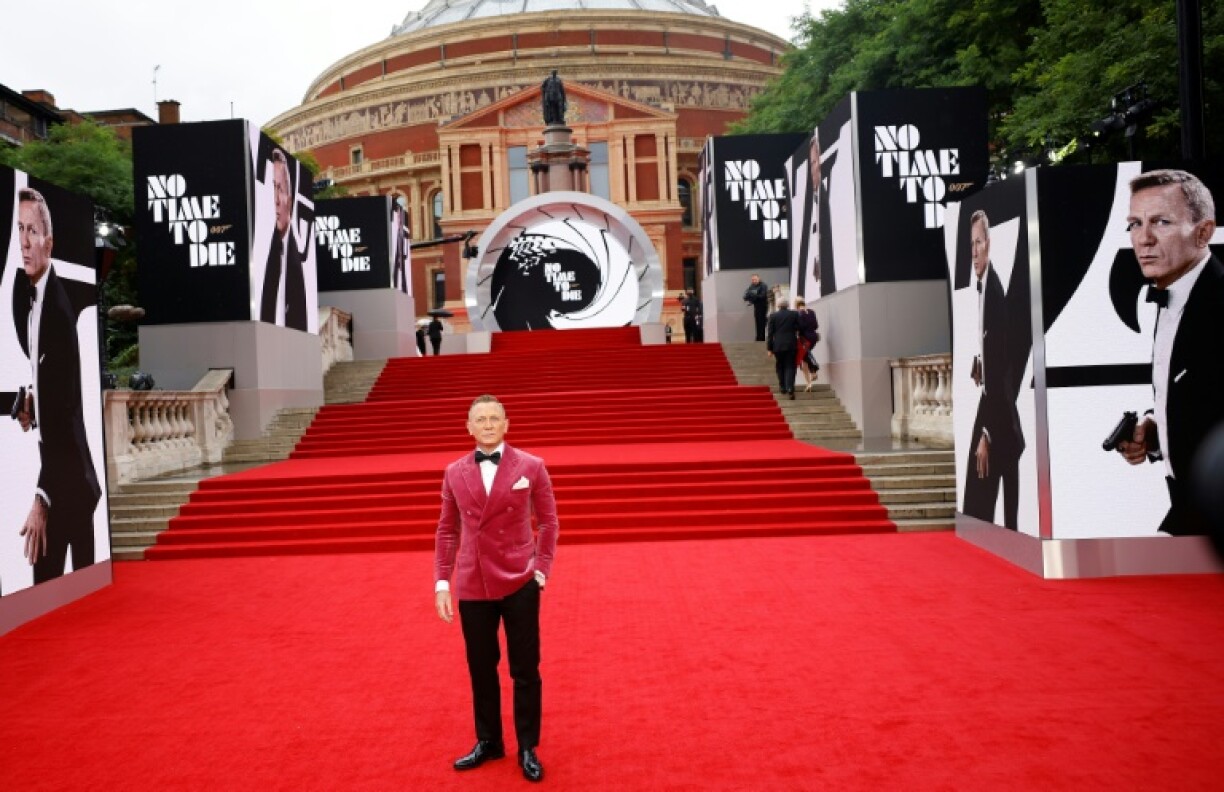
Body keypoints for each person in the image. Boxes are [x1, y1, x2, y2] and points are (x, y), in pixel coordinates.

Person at [434, 395, 559, 783]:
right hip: (473, 583)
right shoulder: (454, 472)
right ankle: (489, 741)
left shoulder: (532, 466)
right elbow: (447, 529)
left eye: (494, 419)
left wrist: (540, 569)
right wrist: (442, 580)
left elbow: (550, 522)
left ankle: (527, 746)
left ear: (506, 424)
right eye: (480, 420)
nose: (488, 425)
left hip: (519, 579)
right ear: (468, 427)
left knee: (525, 668)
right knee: (481, 667)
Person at [1114, 169, 1223, 536]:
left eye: (1160, 222)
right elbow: (1203, 394)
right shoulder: (1173, 294)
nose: (1143, 239)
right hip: (1187, 500)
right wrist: (1154, 429)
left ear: (1203, 232)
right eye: (1134, 224)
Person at [13, 188, 102, 584]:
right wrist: (27, 401)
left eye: (32, 231)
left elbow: (65, 415)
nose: (24, 242)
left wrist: (40, 497)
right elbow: (50, 389)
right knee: (67, 594)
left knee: (62, 590)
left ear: (49, 243)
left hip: (71, 486)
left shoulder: (58, 318)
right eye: (19, 229)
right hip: (66, 476)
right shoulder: (30, 297)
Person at [963, 210, 1025, 530]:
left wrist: (986, 433)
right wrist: (980, 365)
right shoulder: (984, 286)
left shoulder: (995, 294)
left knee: (993, 507)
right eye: (970, 244)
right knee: (989, 507)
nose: (973, 252)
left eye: (978, 243)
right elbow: (994, 354)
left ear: (989, 243)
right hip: (997, 411)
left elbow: (1004, 370)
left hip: (1000, 419)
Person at [260, 150, 308, 331]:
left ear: (291, 198)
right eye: (272, 188)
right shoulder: (265, 257)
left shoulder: (297, 262)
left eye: (280, 189)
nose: (275, 200)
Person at [766, 298, 800, 399]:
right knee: (790, 366)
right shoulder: (794, 314)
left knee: (780, 366)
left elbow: (770, 334)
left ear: (778, 305)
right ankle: (790, 387)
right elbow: (798, 327)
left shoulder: (773, 316)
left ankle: (782, 386)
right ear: (787, 305)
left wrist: (769, 348)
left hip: (778, 345)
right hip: (791, 344)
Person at [795, 298, 820, 391]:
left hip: (805, 339)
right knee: (805, 359)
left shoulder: (799, 314)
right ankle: (808, 383)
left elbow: (800, 327)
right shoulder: (812, 312)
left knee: (804, 356)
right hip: (813, 337)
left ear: (796, 305)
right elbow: (816, 325)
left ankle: (813, 372)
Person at [743, 274, 769, 342]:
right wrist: (749, 296)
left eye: (755, 279)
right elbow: (746, 294)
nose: (753, 281)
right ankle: (758, 337)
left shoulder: (763, 285)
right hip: (756, 306)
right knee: (757, 322)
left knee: (762, 322)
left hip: (763, 306)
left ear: (759, 279)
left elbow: (763, 296)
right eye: (752, 280)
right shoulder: (752, 286)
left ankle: (761, 338)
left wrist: (754, 295)